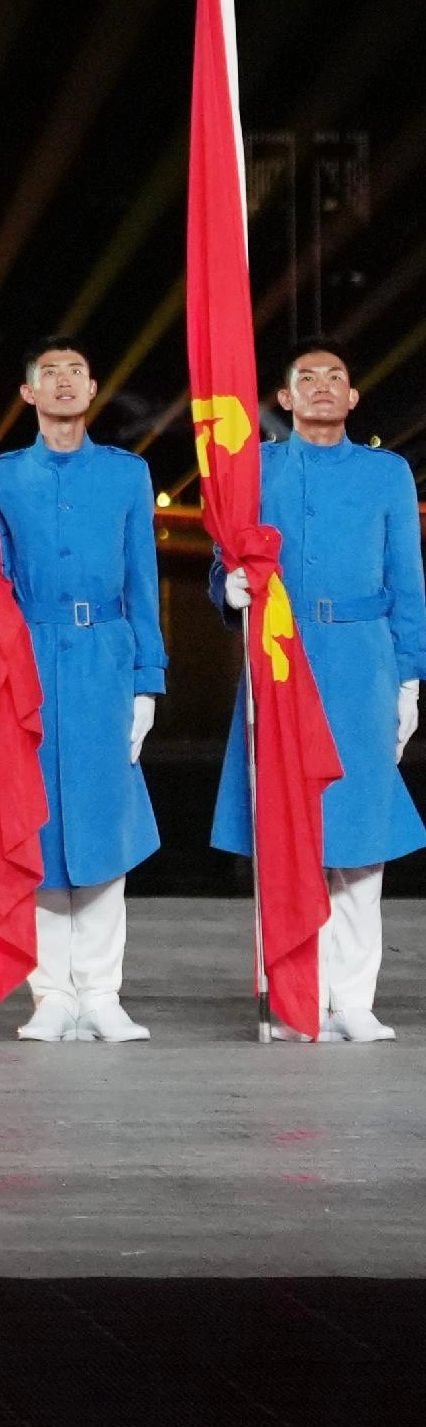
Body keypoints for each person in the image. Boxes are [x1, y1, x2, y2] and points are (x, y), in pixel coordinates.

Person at [210, 340, 425, 1043]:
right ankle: (297, 994)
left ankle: (353, 999)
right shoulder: (255, 469)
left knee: (359, 834)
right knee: (287, 829)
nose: (324, 386)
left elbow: (408, 579)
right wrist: (227, 586)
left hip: (363, 663)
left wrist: (409, 677)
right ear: (285, 398)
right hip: (283, 660)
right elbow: (225, 555)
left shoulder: (387, 473)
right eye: (308, 377)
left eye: (337, 376)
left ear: (354, 397)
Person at [0, 334, 166, 1043]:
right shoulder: (2, 477)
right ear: (28, 393)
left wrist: (147, 681)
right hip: (28, 660)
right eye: (50, 372)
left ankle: (101, 992)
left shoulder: (127, 475)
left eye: (76, 371)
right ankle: (51, 994)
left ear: (93, 389)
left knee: (103, 823)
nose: (64, 381)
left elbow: (143, 581)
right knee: (38, 825)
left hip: (105, 660)